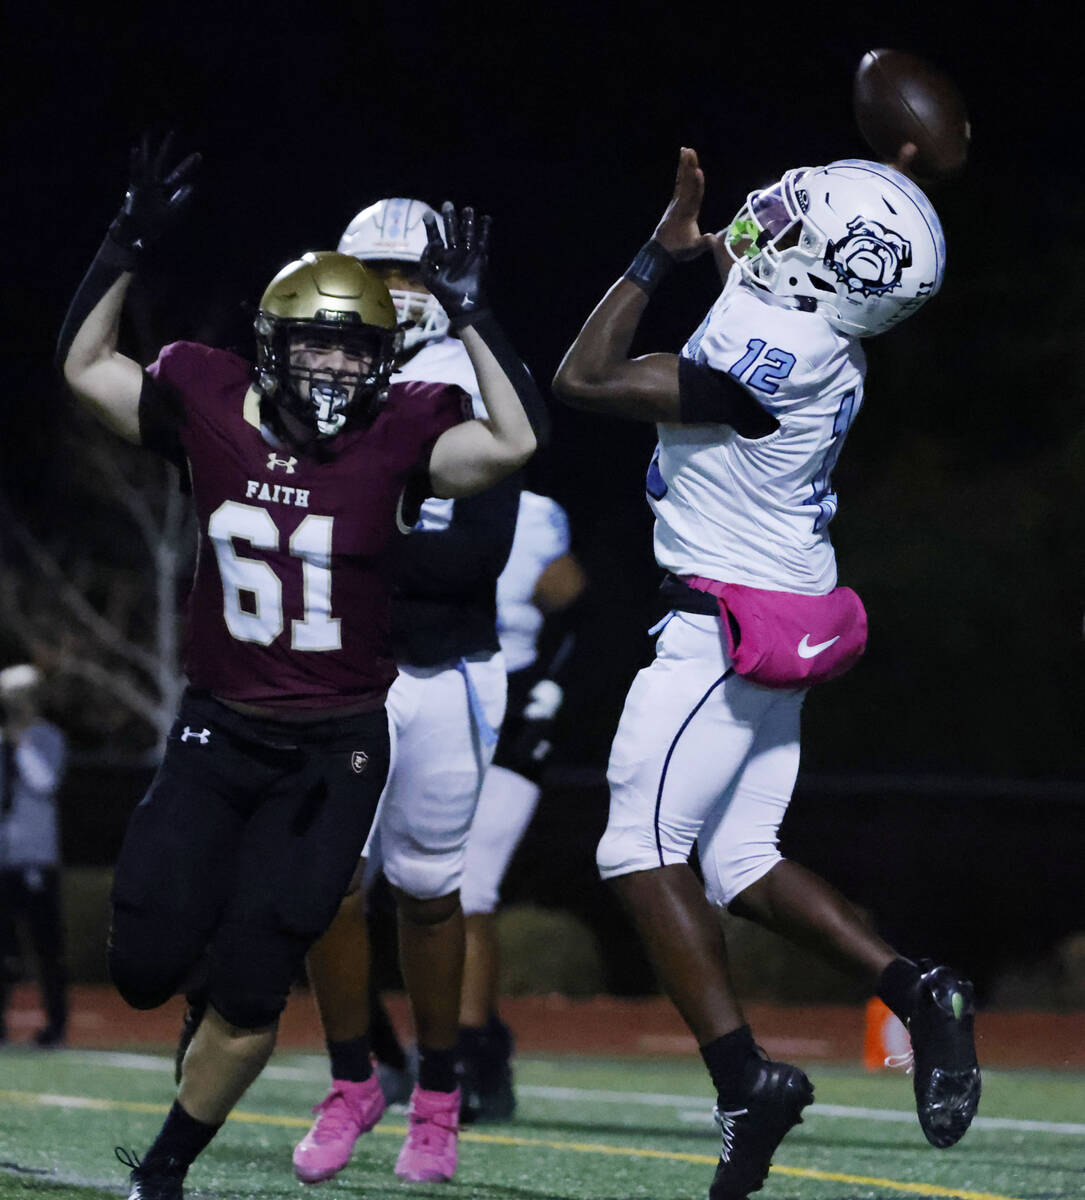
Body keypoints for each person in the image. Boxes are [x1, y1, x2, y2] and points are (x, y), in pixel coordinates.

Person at [57, 138, 547, 1200]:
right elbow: (86, 368)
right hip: (219, 724)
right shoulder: (211, 398)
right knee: (144, 964)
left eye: (354, 346)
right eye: (316, 345)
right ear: (273, 345)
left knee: (299, 951)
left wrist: (476, 315)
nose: (333, 367)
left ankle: (174, 1169)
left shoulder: (410, 422)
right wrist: (120, 248)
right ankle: (293, 1050)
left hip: (343, 736)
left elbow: (513, 448)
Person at [553, 148, 979, 1200]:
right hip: (786, 605)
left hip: (718, 624)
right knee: (737, 858)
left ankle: (744, 1079)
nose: (766, 224)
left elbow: (584, 377)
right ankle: (919, 991)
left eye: (792, 227)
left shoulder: (762, 347)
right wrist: (901, 167)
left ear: (825, 273)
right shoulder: (823, 329)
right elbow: (777, 302)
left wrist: (657, 252)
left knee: (634, 849)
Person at [291, 196, 520, 1186]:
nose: (392, 292)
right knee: (325, 887)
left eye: (410, 273)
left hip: (441, 675)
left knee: (429, 898)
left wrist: (348, 537)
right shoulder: (317, 380)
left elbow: (475, 554)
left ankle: (436, 1098)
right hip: (342, 672)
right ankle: (353, 1080)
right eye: (374, 272)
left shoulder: (468, 384)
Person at [456, 488, 586, 1122]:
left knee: (469, 890)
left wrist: (552, 690)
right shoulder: (397, 483)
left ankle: (471, 1057)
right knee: (365, 885)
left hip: (509, 709)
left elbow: (579, 603)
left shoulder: (535, 512)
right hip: (422, 702)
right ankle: (377, 1054)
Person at [0, 664, 68, 1047]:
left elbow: (44, 781)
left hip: (36, 858)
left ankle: (55, 1027)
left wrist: (21, 741)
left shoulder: (47, 737)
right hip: (3, 857)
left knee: (47, 949)